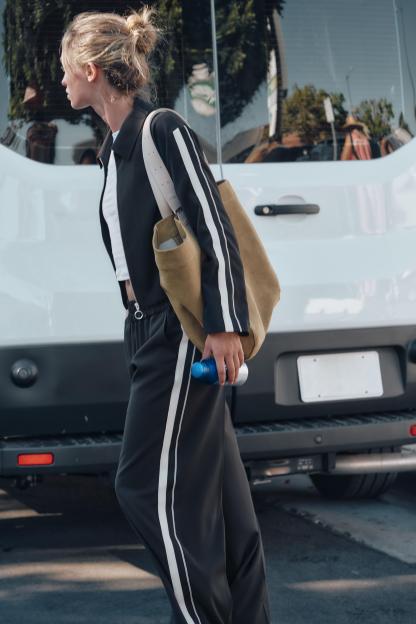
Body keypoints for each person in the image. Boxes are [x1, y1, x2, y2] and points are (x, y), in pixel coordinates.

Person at [60, 6, 271, 624]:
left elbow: (215, 226)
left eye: (65, 69)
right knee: (226, 507)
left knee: (143, 489)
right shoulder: (114, 149)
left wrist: (225, 325)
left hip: (179, 332)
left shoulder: (162, 130)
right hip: (146, 329)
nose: (61, 82)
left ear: (91, 69)